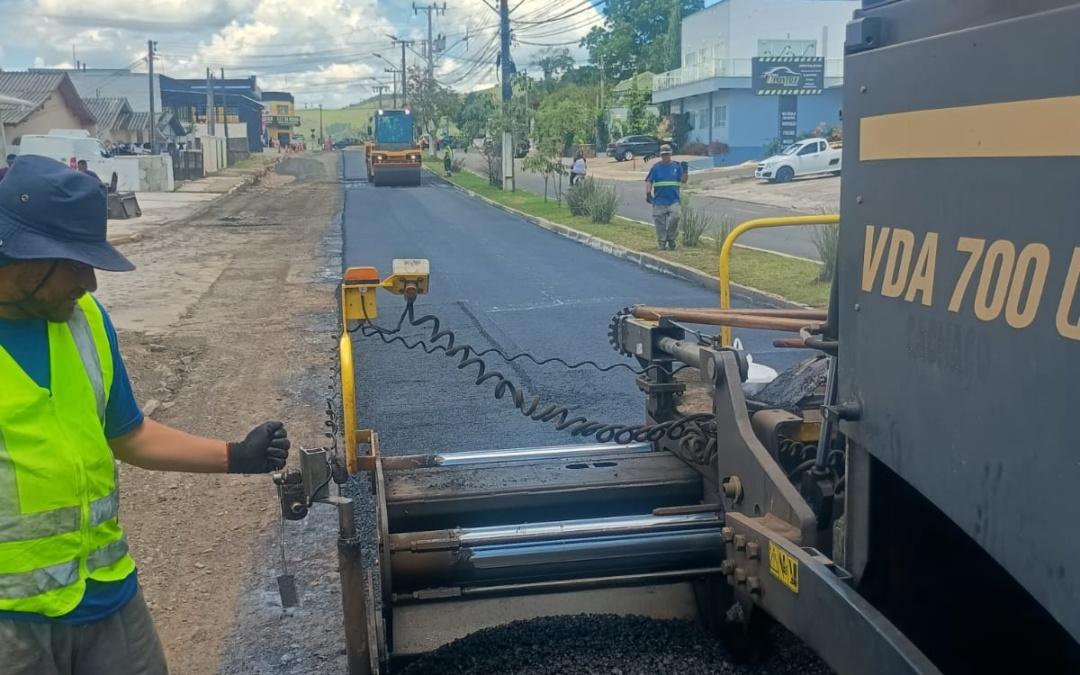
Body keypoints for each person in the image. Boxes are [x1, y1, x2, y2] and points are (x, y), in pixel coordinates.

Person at [0, 155, 291, 675]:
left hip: (108, 598)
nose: (90, 283)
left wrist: (237, 457)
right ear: (20, 254)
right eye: (74, 263)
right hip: (12, 626)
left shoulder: (85, 321)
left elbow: (128, 434)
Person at [644, 144, 689, 251]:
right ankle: (662, 242)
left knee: (675, 217)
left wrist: (685, 170)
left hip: (673, 200)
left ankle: (671, 237)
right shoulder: (656, 167)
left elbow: (683, 180)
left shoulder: (677, 166)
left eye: (667, 154)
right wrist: (648, 193)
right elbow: (649, 181)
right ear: (660, 155)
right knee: (659, 222)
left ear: (671, 154)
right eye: (663, 155)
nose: (665, 157)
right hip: (659, 200)